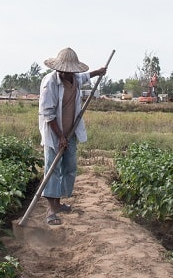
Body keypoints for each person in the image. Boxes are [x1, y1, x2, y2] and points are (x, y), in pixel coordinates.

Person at [38, 47, 107, 225]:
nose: (66, 73)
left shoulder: (76, 78)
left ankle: (59, 203)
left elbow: (85, 77)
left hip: (71, 131)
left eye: (70, 71)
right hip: (54, 133)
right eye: (63, 70)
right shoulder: (50, 83)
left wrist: (98, 72)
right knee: (52, 169)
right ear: (58, 68)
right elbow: (48, 115)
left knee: (69, 167)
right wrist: (60, 137)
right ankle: (51, 210)